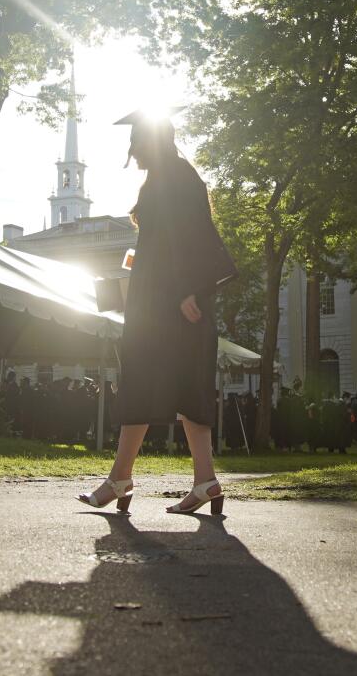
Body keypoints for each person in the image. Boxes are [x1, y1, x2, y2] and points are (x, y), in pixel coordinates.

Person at [77, 110, 236, 514]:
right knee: (178, 388)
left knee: (152, 383)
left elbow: (196, 238)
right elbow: (164, 243)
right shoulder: (166, 179)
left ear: (151, 142)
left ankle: (121, 478)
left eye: (136, 145)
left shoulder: (178, 179)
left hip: (174, 307)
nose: (132, 153)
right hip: (159, 303)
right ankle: (205, 481)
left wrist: (191, 290)